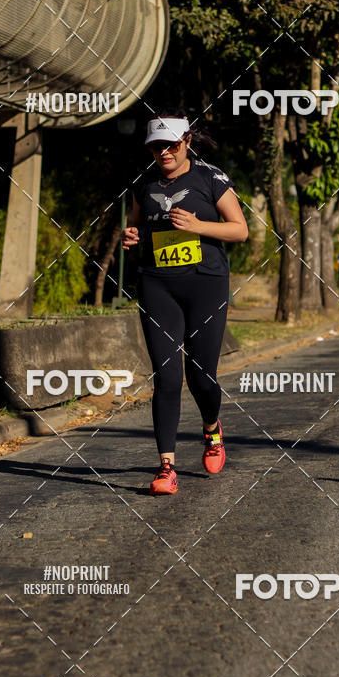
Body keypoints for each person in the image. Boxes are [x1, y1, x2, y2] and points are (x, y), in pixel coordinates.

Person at [122, 110, 248, 495]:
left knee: (201, 375)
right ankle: (166, 467)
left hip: (206, 284)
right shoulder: (143, 184)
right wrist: (132, 237)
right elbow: (137, 227)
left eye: (172, 144)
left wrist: (198, 226)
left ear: (187, 141)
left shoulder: (211, 178)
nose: (165, 152)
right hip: (158, 284)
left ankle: (212, 429)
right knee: (166, 376)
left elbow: (240, 230)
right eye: (157, 146)